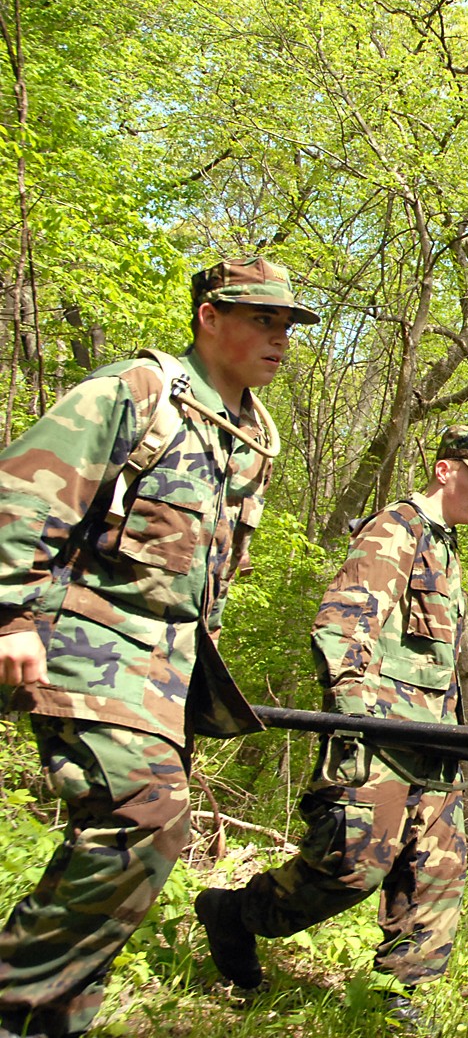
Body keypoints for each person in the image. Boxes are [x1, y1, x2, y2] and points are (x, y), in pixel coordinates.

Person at [0, 257, 313, 1038]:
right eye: (262, 320)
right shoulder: (137, 393)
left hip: (165, 669)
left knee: (144, 847)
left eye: (287, 326)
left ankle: (50, 1019)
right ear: (210, 317)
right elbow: (22, 492)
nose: (280, 339)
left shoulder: (243, 437)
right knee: (146, 818)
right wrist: (10, 618)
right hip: (85, 639)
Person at [194, 425, 468, 1034]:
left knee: (437, 870)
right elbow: (346, 619)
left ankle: (401, 997)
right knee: (351, 865)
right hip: (380, 738)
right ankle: (234, 913)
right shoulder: (396, 529)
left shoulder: (446, 545)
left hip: (436, 743)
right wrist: (353, 714)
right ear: (446, 471)